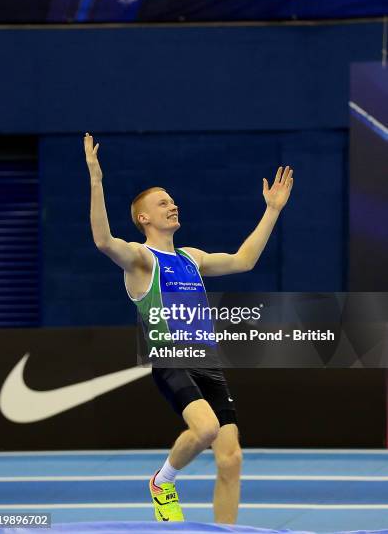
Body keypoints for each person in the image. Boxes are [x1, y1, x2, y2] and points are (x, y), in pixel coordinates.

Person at [84, 132, 293, 524]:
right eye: (163, 202)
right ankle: (163, 482)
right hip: (170, 359)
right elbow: (103, 240)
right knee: (207, 430)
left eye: (173, 200)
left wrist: (273, 210)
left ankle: (225, 532)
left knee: (231, 459)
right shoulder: (141, 260)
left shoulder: (191, 257)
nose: (173, 205)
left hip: (207, 362)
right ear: (143, 218)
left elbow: (244, 260)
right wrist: (96, 180)